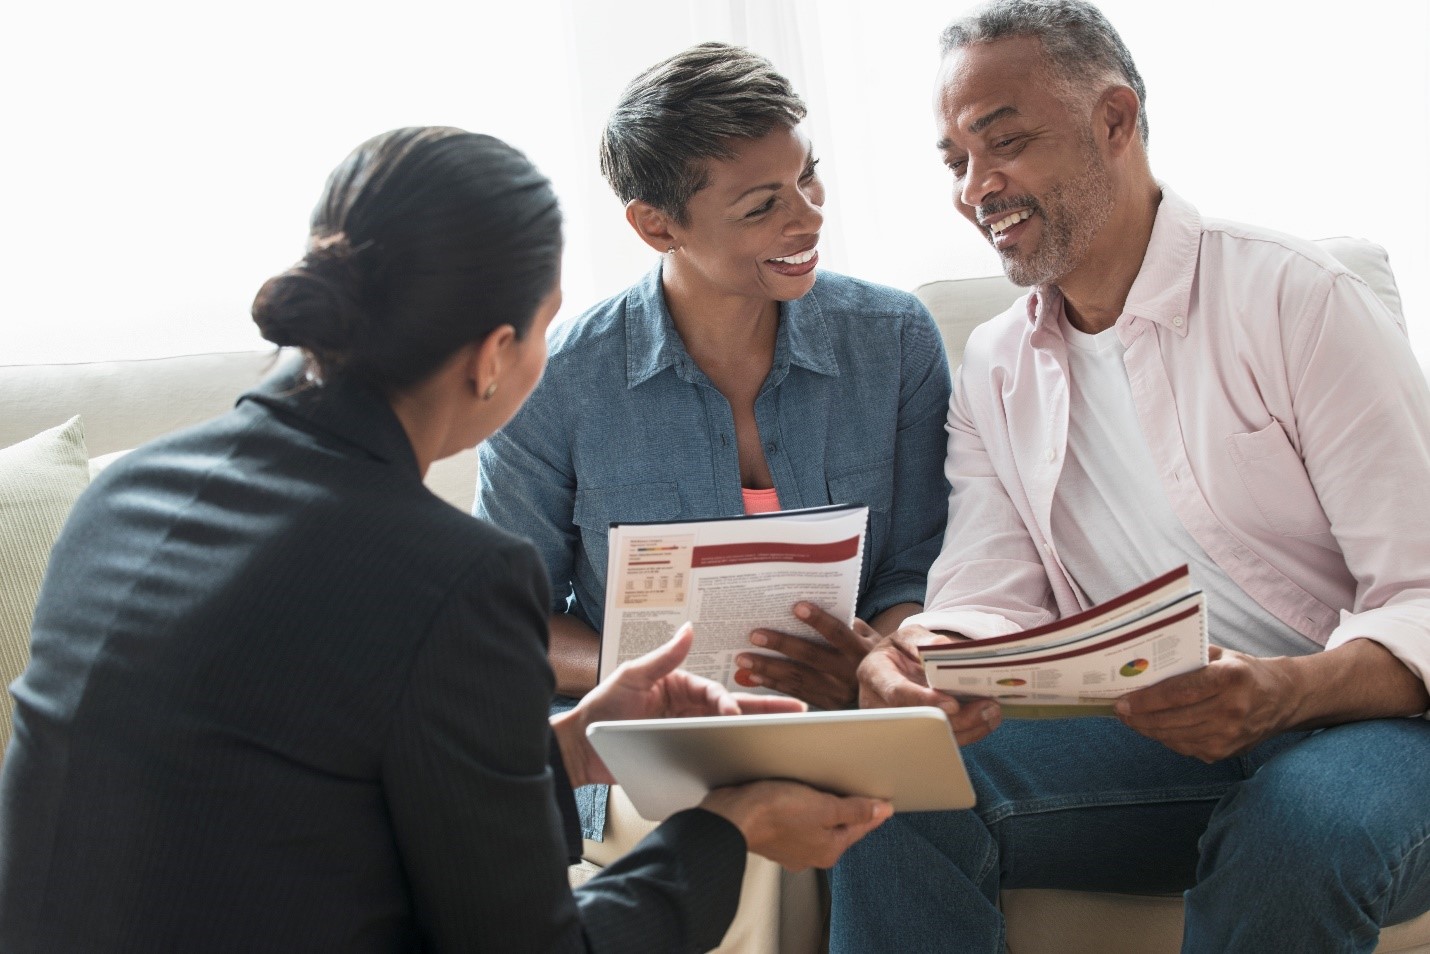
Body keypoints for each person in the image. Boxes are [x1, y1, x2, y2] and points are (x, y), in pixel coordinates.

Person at [0, 126, 892, 953]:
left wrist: (577, 743)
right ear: (494, 354)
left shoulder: (122, 494)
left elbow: (298, 799)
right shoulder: (451, 576)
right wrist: (729, 829)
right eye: (547, 327)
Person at [828, 2, 1430, 951]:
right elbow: (987, 588)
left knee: (1299, 824)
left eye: (1006, 143)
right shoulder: (992, 362)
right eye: (955, 161)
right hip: (1152, 734)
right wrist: (931, 658)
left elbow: (1423, 590)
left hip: (1373, 729)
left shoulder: (1299, 299)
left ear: (1115, 121)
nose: (975, 188)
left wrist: (1285, 691)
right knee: (892, 778)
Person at [474, 41, 952, 848]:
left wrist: (880, 658)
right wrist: (663, 683)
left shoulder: (894, 339)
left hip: (840, 710)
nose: (808, 216)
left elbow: (918, 563)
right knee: (730, 826)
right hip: (647, 726)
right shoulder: (558, 380)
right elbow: (504, 623)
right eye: (763, 205)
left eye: (808, 177)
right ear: (656, 224)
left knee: (875, 814)